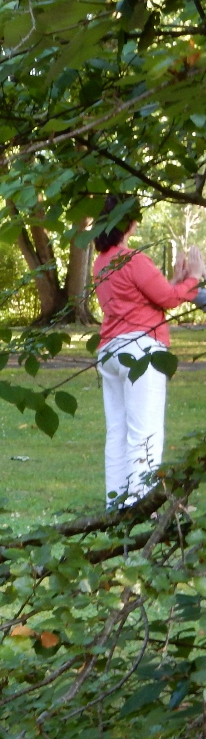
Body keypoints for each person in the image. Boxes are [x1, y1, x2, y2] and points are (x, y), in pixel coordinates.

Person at [92, 196, 203, 508]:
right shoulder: (133, 258)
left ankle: (116, 503)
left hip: (111, 350)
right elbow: (167, 300)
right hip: (142, 350)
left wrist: (178, 281)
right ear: (130, 223)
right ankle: (141, 505)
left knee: (118, 431)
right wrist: (195, 277)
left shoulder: (102, 263)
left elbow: (147, 296)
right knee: (145, 431)